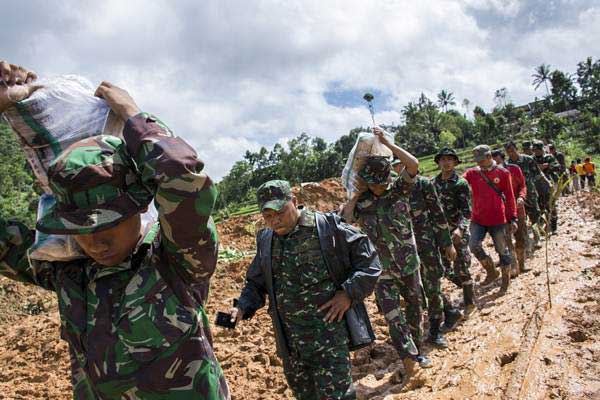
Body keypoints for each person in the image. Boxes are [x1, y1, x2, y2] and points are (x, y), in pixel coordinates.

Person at [0, 62, 230, 399]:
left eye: (109, 220)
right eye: (78, 227)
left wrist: (134, 117)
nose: (96, 240)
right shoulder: (68, 273)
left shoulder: (176, 259)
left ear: (137, 205)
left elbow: (184, 182)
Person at [231, 180, 381, 400]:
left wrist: (348, 293)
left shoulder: (327, 228)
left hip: (328, 341)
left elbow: (370, 263)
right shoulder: (266, 241)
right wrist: (241, 308)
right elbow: (255, 283)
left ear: (294, 201)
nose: (275, 221)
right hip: (292, 347)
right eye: (268, 216)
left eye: (280, 212)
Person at [344, 127, 432, 379]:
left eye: (381, 182)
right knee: (394, 317)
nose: (379, 187)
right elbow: (346, 218)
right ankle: (408, 362)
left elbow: (413, 164)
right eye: (373, 183)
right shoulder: (362, 202)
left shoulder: (400, 190)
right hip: (381, 271)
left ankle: (417, 350)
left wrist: (388, 144)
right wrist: (355, 194)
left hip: (408, 264)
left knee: (415, 308)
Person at [393, 159, 461, 348]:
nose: (400, 168)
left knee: (432, 285)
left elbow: (437, 213)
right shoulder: (391, 190)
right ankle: (450, 311)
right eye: (396, 165)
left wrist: (447, 244)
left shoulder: (423, 184)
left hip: (426, 244)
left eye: (402, 164)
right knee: (418, 290)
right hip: (404, 249)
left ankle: (435, 332)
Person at [464, 145, 517, 293]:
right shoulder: (472, 173)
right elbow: (460, 183)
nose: (480, 163)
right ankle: (492, 271)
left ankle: (505, 280)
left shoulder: (503, 173)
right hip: (478, 218)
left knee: (502, 249)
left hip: (498, 218)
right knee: (473, 245)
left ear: (489, 157)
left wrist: (512, 218)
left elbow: (510, 197)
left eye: (482, 160)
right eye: (477, 161)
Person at [432, 148, 476, 319]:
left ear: (455, 162)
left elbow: (467, 212)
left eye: (450, 159)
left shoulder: (460, 184)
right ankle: (465, 287)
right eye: (443, 159)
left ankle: (469, 302)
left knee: (462, 267)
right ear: (438, 162)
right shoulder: (433, 183)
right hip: (440, 234)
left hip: (457, 232)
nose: (446, 162)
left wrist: (460, 229)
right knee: (442, 268)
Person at [492, 149, 529, 276]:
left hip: (517, 208)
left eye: (498, 161)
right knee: (506, 240)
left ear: (503, 159)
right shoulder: (489, 175)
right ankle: (514, 267)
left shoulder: (514, 169)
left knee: (521, 236)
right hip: (501, 212)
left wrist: (521, 197)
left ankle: (522, 264)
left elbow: (523, 185)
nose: (496, 165)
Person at [504, 141, 543, 252]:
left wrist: (532, 184)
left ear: (517, 148)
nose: (511, 153)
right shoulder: (507, 165)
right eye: (508, 152)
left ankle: (537, 238)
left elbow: (537, 175)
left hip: (530, 194)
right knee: (522, 220)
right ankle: (525, 243)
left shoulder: (528, 160)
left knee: (535, 216)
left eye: (512, 150)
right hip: (517, 197)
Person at [533, 140, 560, 233]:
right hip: (536, 186)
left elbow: (557, 167)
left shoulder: (549, 157)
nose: (536, 152)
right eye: (535, 150)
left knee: (551, 206)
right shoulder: (532, 159)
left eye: (538, 150)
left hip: (548, 184)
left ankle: (554, 227)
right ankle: (543, 227)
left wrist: (547, 166)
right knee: (539, 207)